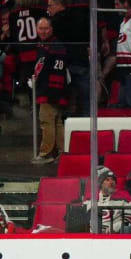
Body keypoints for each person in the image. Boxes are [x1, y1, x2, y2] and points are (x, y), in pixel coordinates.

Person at [32, 16, 69, 166]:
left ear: (51, 29)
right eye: (40, 28)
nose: (43, 31)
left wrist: (50, 92)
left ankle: (46, 154)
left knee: (47, 122)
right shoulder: (45, 44)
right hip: (52, 90)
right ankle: (62, 152)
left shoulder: (55, 46)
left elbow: (57, 72)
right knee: (57, 122)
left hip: (50, 91)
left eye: (46, 28)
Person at [46, 0, 89, 116]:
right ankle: (87, 125)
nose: (48, 9)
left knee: (67, 98)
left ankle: (68, 126)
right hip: (82, 60)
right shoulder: (80, 15)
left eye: (50, 6)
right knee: (85, 98)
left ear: (59, 5)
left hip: (65, 64)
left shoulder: (55, 22)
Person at [84, 167, 131, 233]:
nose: (111, 182)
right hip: (93, 236)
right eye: (107, 180)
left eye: (113, 180)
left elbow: (128, 220)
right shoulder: (90, 199)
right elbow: (83, 219)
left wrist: (113, 229)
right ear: (101, 184)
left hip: (115, 235)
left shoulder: (124, 198)